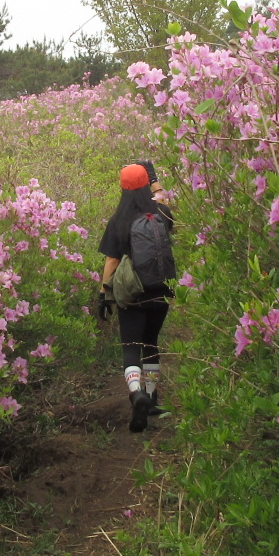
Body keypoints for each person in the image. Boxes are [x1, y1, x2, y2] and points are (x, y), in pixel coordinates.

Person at [97, 160, 175, 433]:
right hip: (160, 290)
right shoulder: (162, 213)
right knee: (151, 342)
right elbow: (162, 198)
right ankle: (151, 399)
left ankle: (136, 393)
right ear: (145, 186)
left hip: (132, 292)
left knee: (131, 345)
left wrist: (104, 294)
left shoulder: (119, 220)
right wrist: (155, 180)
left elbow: (111, 261)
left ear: (122, 188)